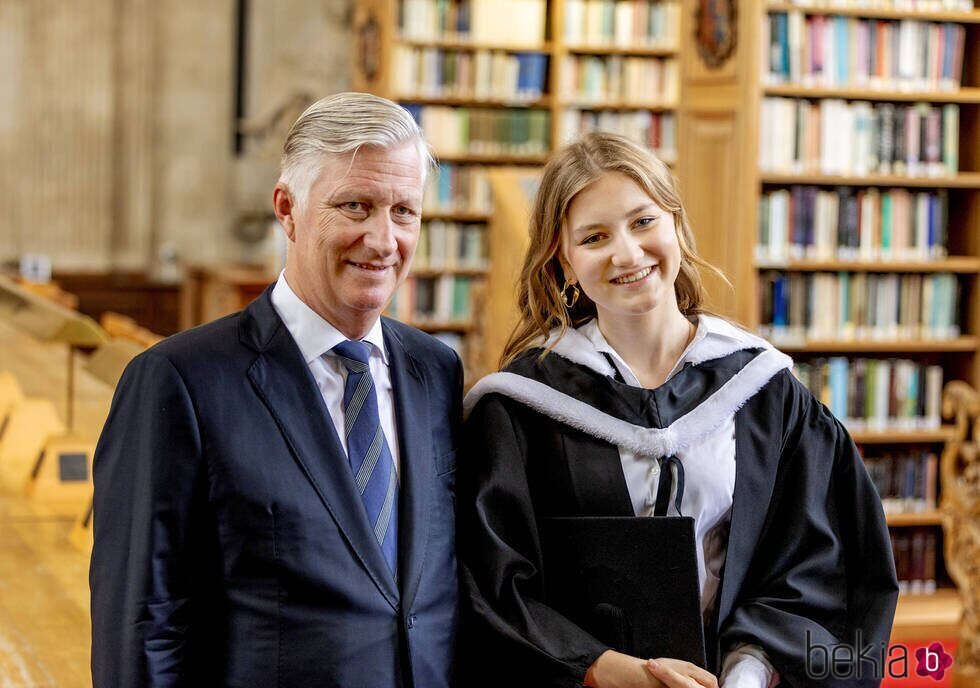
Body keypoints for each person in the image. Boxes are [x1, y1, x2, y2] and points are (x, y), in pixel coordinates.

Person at [457, 132, 898, 688]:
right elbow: (493, 584)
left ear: (675, 225)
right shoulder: (520, 409)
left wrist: (750, 670)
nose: (627, 253)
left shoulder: (763, 391)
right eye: (594, 236)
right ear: (564, 262)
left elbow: (818, 566)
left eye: (643, 222)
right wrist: (602, 668)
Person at [90, 92, 463, 687]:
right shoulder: (179, 381)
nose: (382, 238)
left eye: (404, 211)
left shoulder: (436, 371)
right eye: (355, 206)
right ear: (287, 209)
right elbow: (143, 625)